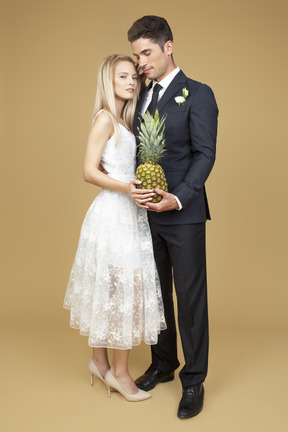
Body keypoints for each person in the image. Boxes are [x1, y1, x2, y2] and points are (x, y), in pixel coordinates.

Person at [127, 16, 218, 418]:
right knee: (156, 293)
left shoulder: (198, 93)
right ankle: (164, 364)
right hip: (144, 213)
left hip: (182, 213)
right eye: (136, 55)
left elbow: (205, 154)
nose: (140, 62)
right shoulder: (141, 95)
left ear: (168, 47)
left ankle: (194, 380)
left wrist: (177, 199)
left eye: (146, 52)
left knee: (190, 297)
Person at [63, 54, 166, 402]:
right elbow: (88, 171)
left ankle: (98, 361)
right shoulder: (106, 119)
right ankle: (119, 374)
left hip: (129, 213)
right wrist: (127, 188)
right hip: (114, 213)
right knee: (126, 290)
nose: (131, 82)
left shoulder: (123, 120)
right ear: (109, 80)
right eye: (123, 76)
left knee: (115, 290)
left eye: (133, 77)